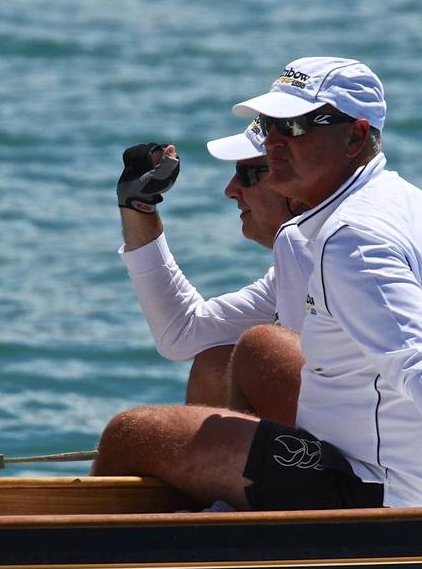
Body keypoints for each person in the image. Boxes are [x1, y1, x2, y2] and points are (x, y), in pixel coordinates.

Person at [95, 57, 422, 541]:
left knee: (130, 432)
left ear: (355, 137)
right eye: (269, 128)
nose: (273, 142)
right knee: (229, 358)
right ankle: (230, 519)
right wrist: (139, 208)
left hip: (383, 494)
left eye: (293, 127)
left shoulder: (352, 237)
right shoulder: (413, 207)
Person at [116, 119, 309, 424]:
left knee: (127, 432)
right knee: (216, 365)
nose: (230, 190)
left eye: (246, 175)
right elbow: (182, 334)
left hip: (370, 457)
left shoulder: (325, 247)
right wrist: (138, 205)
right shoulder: (294, 261)